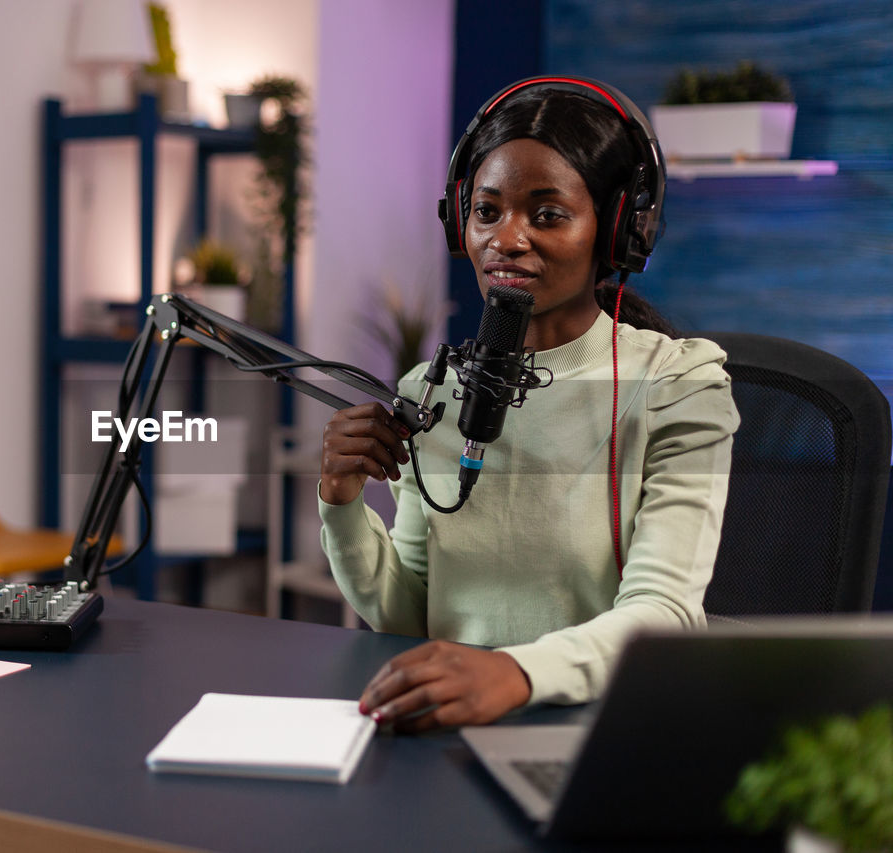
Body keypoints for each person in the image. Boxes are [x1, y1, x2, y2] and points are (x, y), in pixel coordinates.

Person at [317, 77, 739, 729]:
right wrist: (342, 504)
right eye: (488, 212)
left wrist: (516, 673)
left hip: (611, 726)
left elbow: (665, 612)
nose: (506, 240)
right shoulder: (429, 390)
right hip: (458, 718)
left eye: (547, 214)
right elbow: (407, 616)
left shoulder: (682, 387)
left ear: (617, 230)